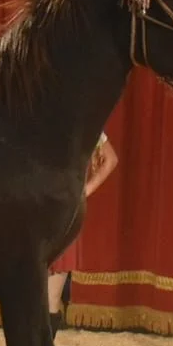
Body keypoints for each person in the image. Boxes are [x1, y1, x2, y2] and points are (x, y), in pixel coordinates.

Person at [48, 131, 118, 334]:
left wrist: (83, 193)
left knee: (50, 302)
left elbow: (111, 159)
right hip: (34, 215)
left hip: (63, 219)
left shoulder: (85, 122)